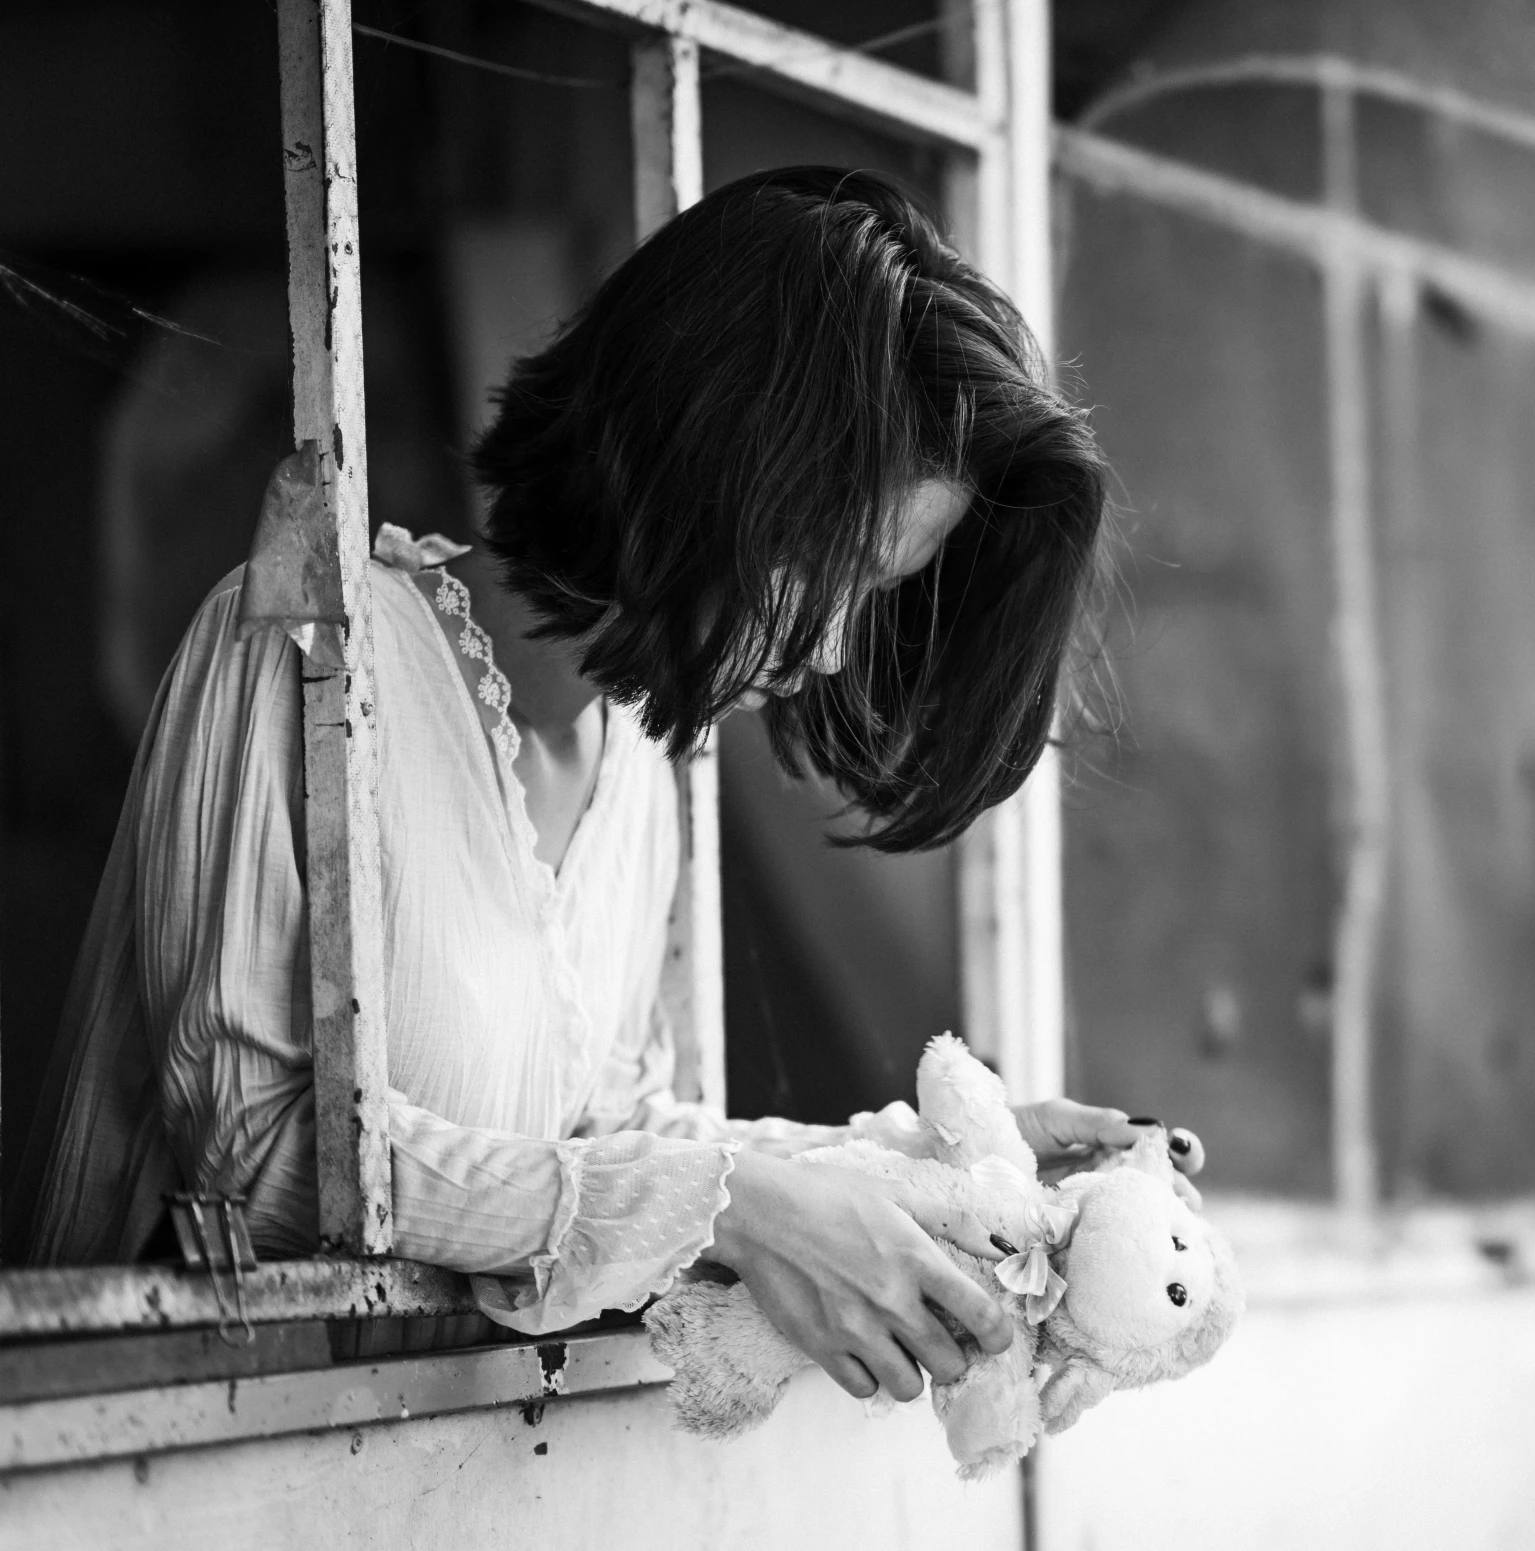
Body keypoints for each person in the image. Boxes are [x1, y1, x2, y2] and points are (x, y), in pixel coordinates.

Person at [11, 167, 1204, 1406]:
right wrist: (734, 1209)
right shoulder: (310, 657)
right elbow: (257, 1153)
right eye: (834, 573)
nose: (840, 649)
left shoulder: (638, 765)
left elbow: (607, 1159)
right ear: (716, 467)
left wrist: (941, 1180)